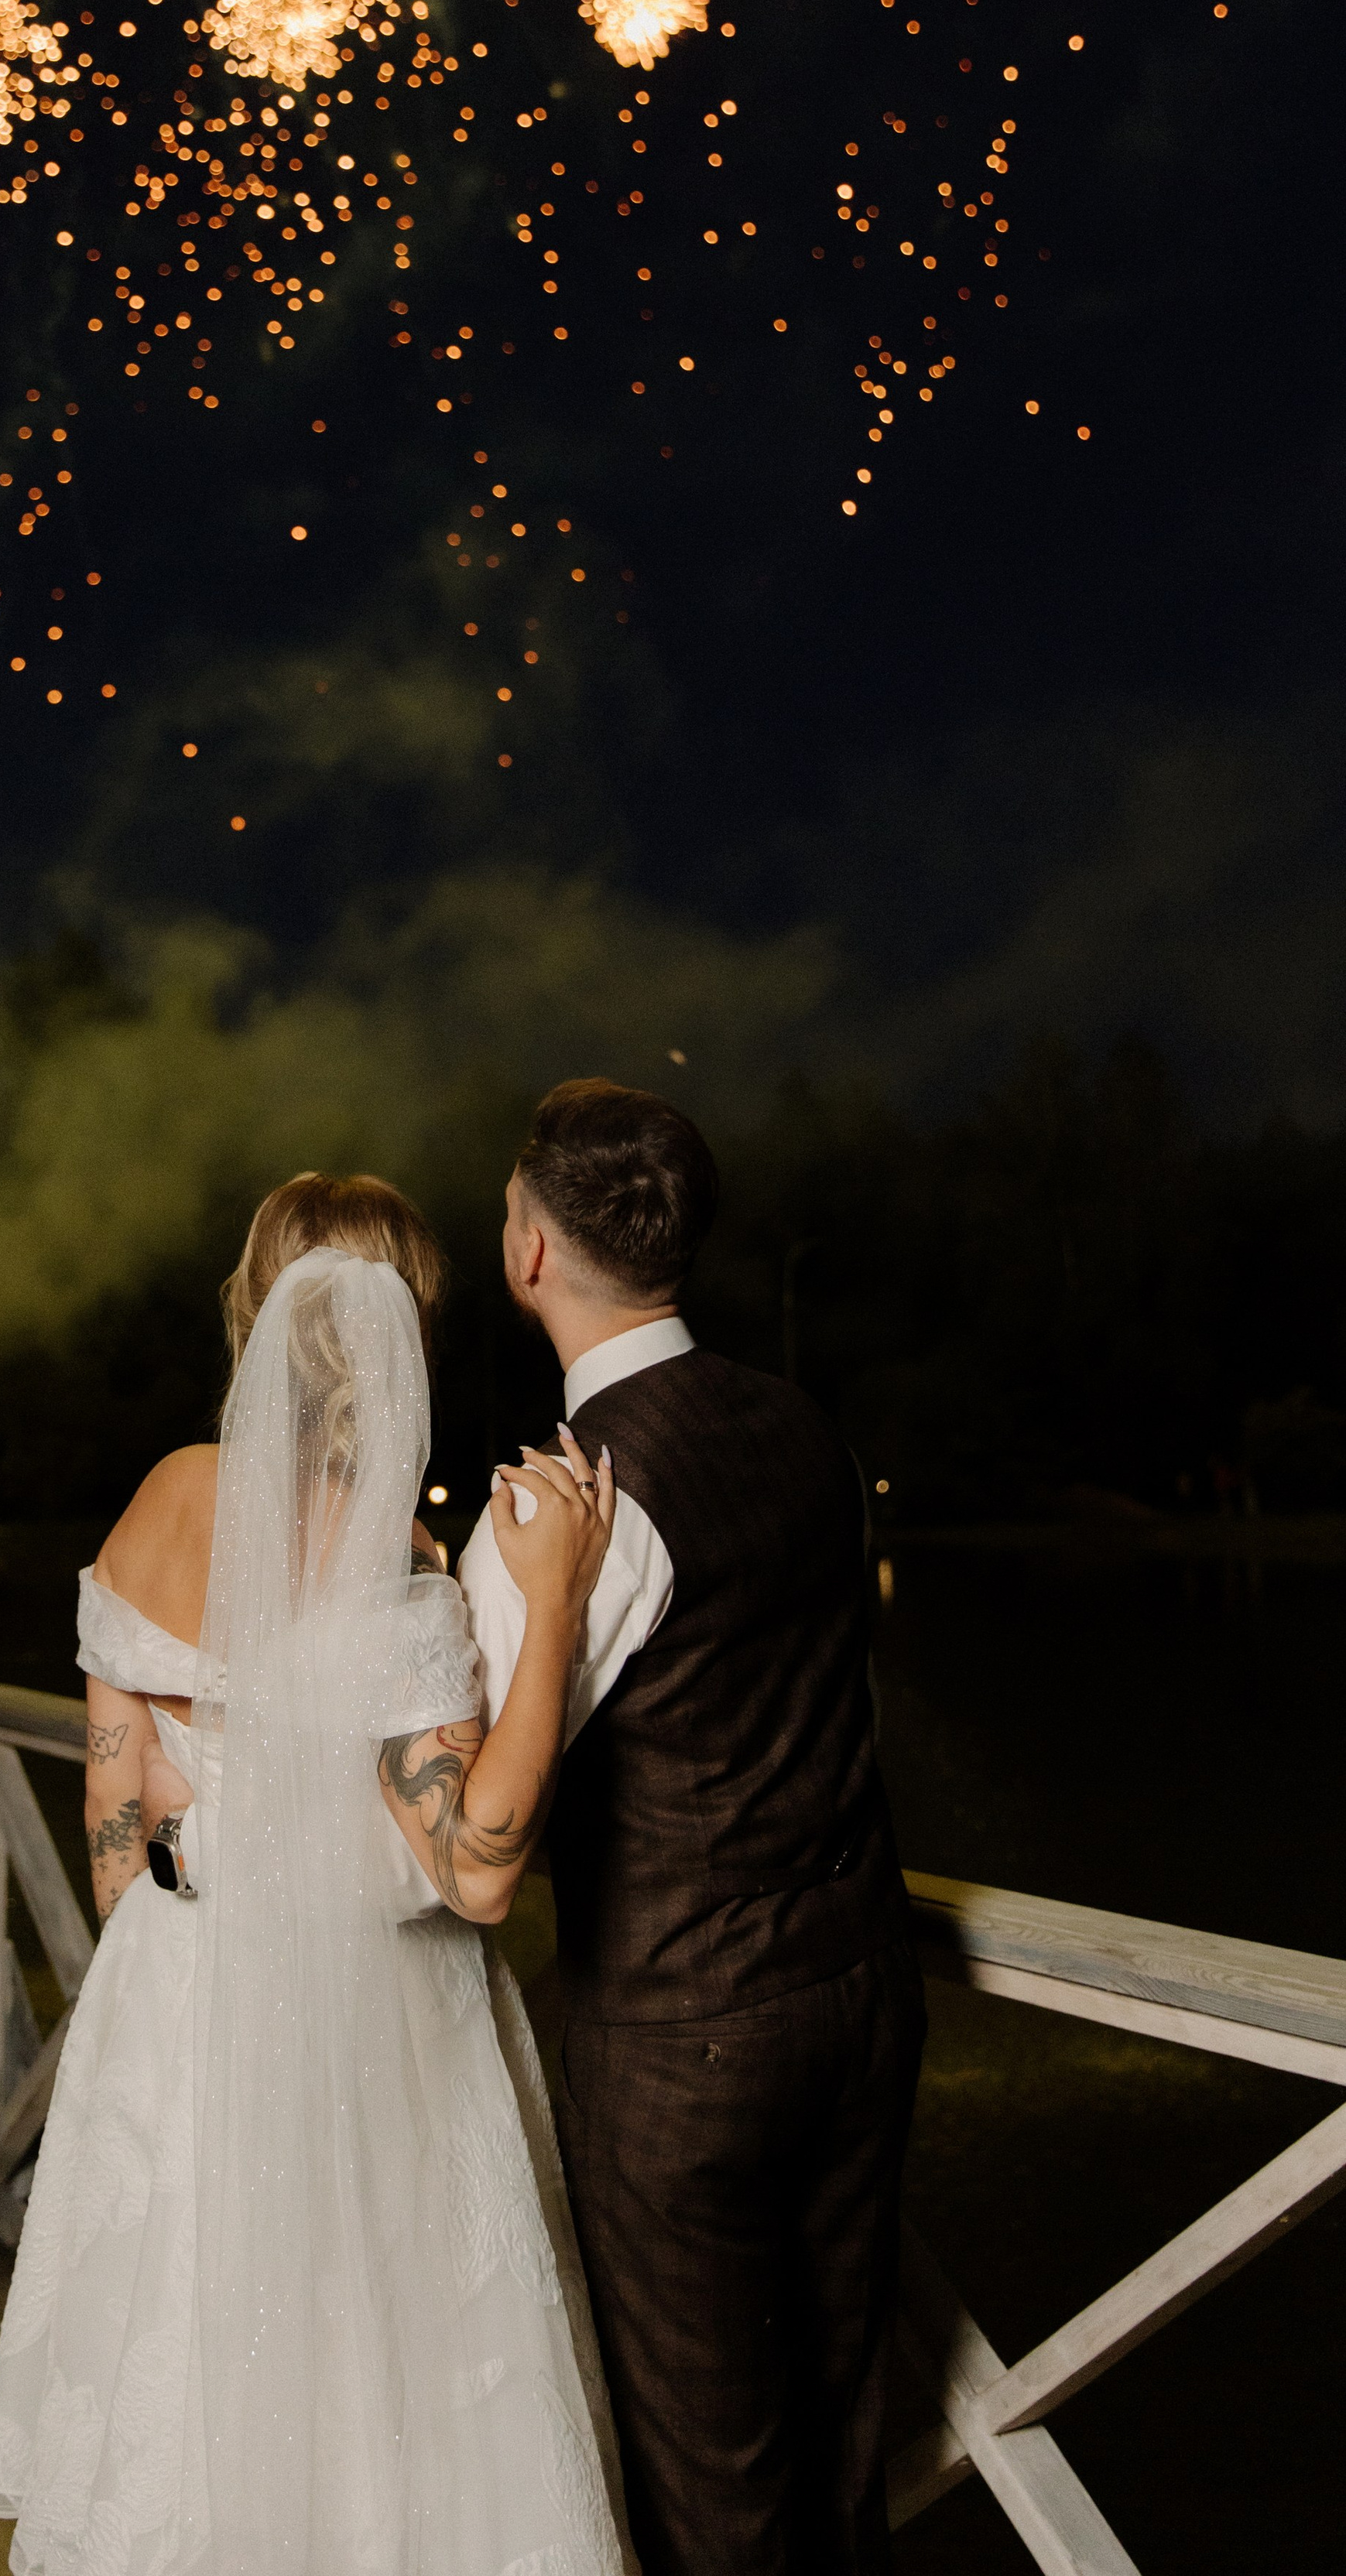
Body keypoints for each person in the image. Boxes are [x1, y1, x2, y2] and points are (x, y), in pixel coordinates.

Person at [0, 1171, 634, 2576]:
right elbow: (475, 1875)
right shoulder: (400, 1568)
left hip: (168, 1981)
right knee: (372, 2355)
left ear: (252, 1316)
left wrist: (164, 1978)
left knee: (187, 2349)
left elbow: (112, 1791)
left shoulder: (161, 1500)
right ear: (407, 1335)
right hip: (368, 2026)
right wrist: (555, 1600)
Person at [457, 1081, 923, 2576]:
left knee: (708, 2485)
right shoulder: (804, 1428)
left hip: (681, 2043)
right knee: (847, 2436)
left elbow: (481, 1829)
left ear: (530, 1249)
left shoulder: (560, 1506)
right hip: (862, 1993)